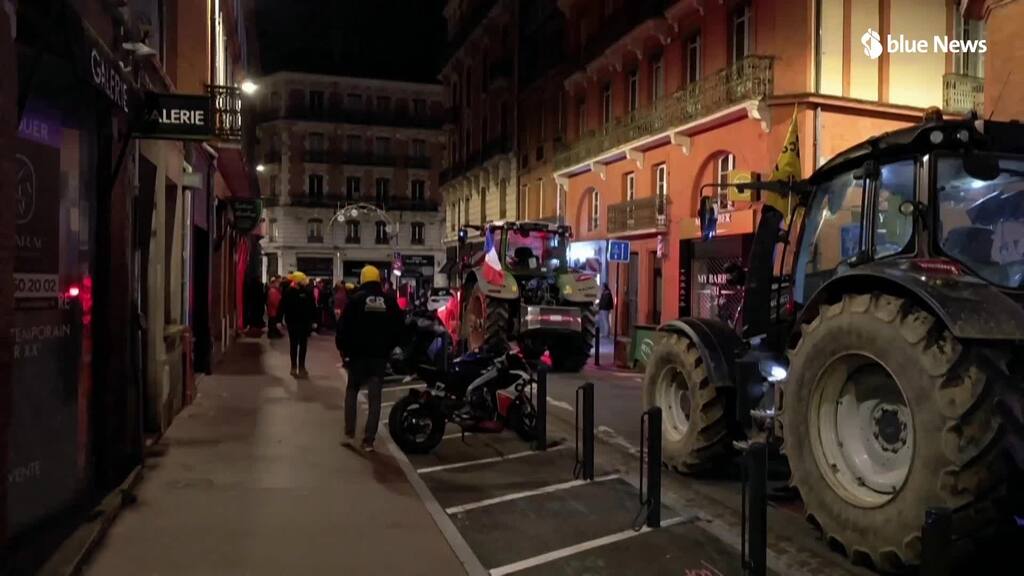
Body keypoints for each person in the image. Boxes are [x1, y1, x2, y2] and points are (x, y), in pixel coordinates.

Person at [338, 265, 404, 452]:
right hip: (379, 358)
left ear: (362, 279)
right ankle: (368, 440)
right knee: (375, 399)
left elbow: (343, 327)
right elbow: (400, 327)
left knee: (352, 391)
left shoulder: (355, 300)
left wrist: (344, 350)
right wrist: (389, 349)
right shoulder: (389, 301)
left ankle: (349, 434)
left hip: (358, 356)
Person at [282, 271, 317, 377]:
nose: (304, 282)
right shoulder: (288, 292)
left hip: (304, 323)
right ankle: (293, 366)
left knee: (303, 346)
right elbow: (283, 306)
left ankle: (301, 366)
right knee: (293, 345)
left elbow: (312, 307)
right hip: (293, 323)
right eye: (302, 280)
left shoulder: (307, 292)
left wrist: (313, 321)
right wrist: (279, 320)